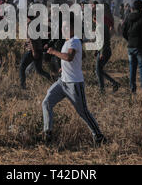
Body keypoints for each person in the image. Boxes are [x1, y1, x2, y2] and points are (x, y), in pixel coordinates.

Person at [43, 13, 106, 145]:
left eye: (67, 27)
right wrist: (63, 67)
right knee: (47, 102)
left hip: (74, 84)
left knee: (83, 112)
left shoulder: (75, 40)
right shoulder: (67, 42)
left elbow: (70, 57)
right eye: (63, 27)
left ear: (73, 29)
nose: (64, 29)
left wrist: (54, 52)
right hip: (62, 81)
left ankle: (99, 136)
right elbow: (77, 58)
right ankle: (48, 133)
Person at [122, 0, 142, 93]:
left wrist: (129, 40)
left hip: (130, 46)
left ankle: (132, 89)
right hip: (141, 47)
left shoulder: (127, 17)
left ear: (133, 8)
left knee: (132, 69)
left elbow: (123, 32)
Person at [19, 16, 52, 89]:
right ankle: (51, 79)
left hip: (33, 50)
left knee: (22, 67)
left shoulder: (31, 25)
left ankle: (22, 86)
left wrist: (34, 51)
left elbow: (32, 39)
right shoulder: (37, 24)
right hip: (39, 49)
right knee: (39, 70)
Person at [93, 11, 120, 93]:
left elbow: (104, 41)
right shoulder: (102, 26)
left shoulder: (100, 27)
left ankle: (106, 87)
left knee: (98, 70)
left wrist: (101, 52)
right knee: (99, 70)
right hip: (103, 50)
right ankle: (106, 87)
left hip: (104, 51)